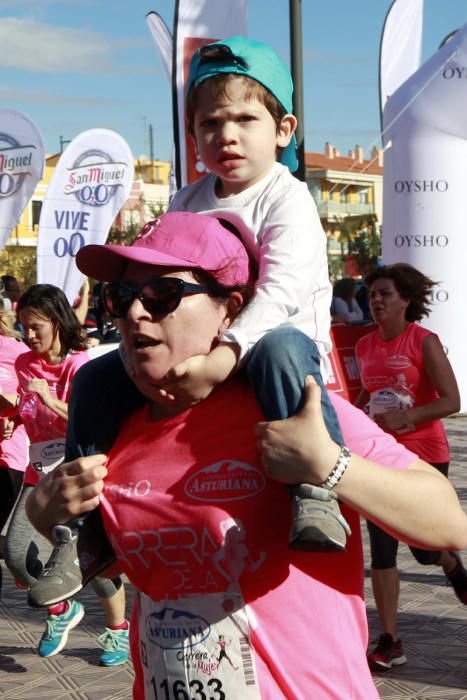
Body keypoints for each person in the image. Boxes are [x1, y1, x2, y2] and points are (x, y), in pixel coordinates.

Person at [24, 214, 467, 699]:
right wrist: (47, 517)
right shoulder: (115, 431)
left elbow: (448, 524)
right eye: (122, 298)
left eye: (161, 295)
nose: (134, 314)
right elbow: (133, 569)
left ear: (230, 310)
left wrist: (330, 466)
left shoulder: (293, 407)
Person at [29, 34, 350, 608]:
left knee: (280, 344)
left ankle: (315, 491)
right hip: (199, 354)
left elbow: (280, 292)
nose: (226, 135)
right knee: (96, 379)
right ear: (193, 132)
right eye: (210, 123)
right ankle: (84, 531)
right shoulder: (186, 201)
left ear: (284, 129)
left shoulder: (287, 198)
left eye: (246, 119)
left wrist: (223, 357)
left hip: (275, 356)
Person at [3, 284, 129, 665]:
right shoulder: (25, 363)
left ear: (58, 322)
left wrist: (49, 400)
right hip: (38, 470)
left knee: (90, 559)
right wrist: (10, 421)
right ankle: (62, 610)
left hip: (76, 471)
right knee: (15, 553)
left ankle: (117, 631)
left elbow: (85, 421)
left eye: (37, 326)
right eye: (24, 327)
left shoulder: (80, 365)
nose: (30, 335)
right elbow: (26, 412)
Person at [354, 262, 466, 670]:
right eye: (372, 295)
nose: (376, 300)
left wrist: (408, 416)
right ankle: (390, 640)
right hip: (381, 454)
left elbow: (451, 401)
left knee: (422, 550)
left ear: (405, 301)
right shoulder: (364, 345)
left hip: (424, 453)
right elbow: (364, 396)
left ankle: (451, 564)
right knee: (382, 548)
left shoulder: (423, 341)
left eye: (385, 294)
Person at [0, 299, 29, 592]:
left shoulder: (16, 351)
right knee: (12, 549)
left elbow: (35, 399)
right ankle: (22, 557)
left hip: (8, 458)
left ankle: (21, 556)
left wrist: (16, 414)